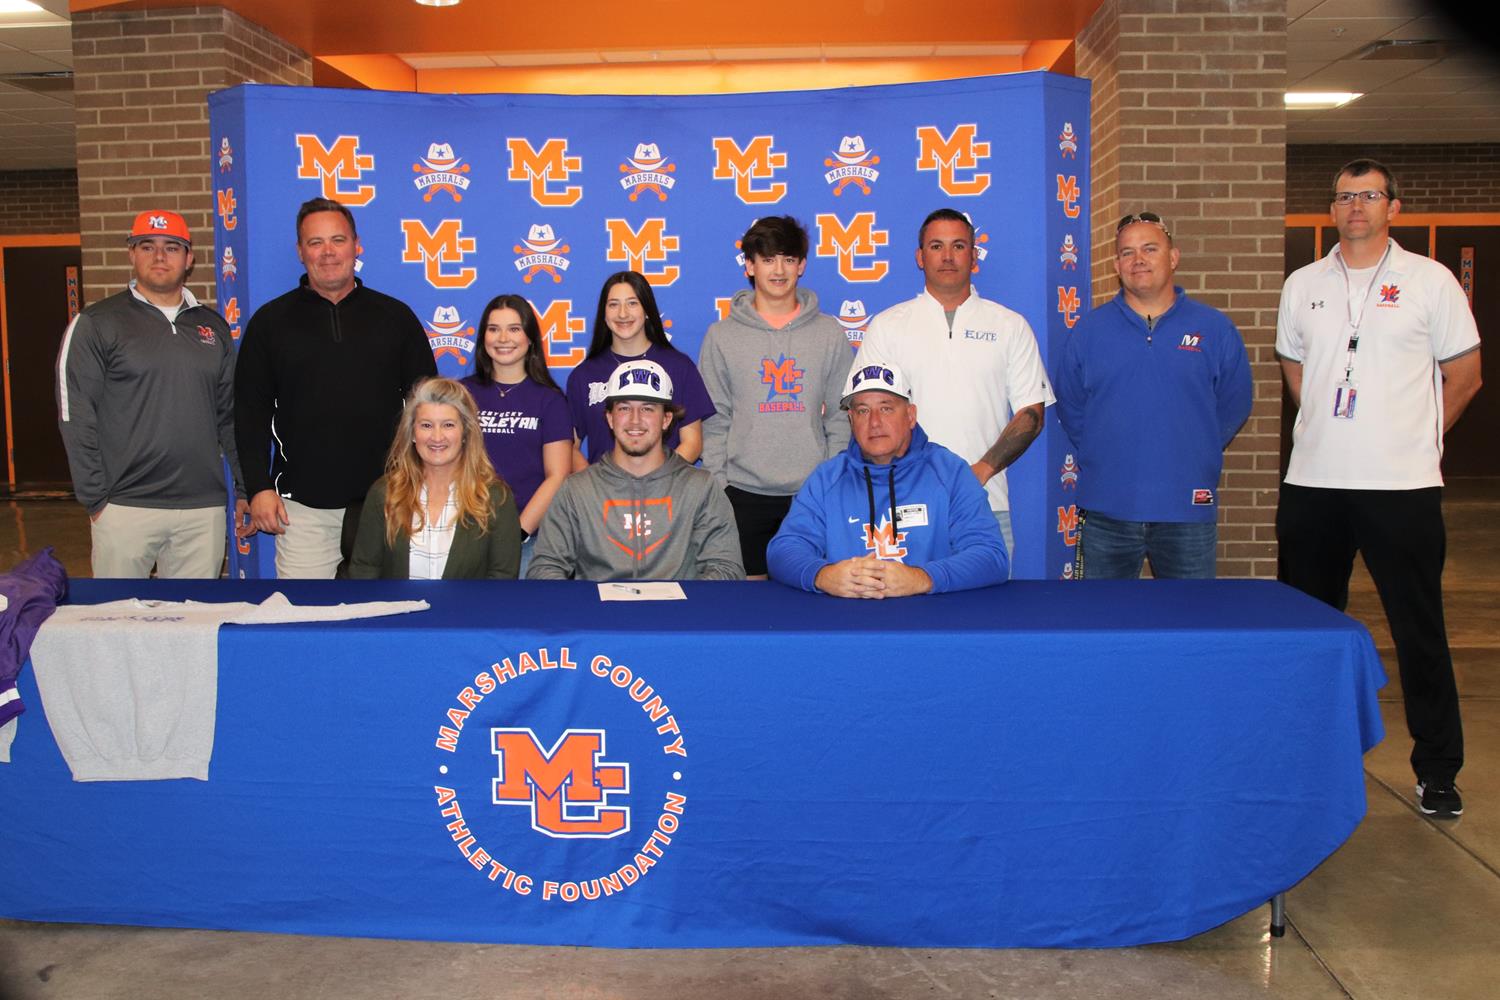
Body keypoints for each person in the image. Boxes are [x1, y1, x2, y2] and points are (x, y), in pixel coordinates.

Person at [1277, 158, 1483, 818]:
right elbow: (1293, 360)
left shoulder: (1431, 281)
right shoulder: (1303, 283)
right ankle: (1304, 756)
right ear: (1330, 209)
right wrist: (1328, 424)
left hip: (1402, 486)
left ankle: (1438, 769)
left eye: (1368, 196)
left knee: (1418, 630)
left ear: (1393, 206)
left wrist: (1418, 433)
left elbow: (1466, 374)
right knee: (1309, 631)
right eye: (1343, 197)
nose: (1355, 207)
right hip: (1314, 483)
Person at [235, 197, 437, 578]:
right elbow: (250, 414)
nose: (328, 252)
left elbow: (428, 410)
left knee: (388, 625)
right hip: (304, 510)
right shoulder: (270, 323)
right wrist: (258, 487)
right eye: (315, 242)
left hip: (390, 504)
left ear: (356, 245)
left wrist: (427, 486)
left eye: (338, 240)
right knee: (305, 626)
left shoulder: (396, 317)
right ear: (300, 251)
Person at [1052, 211, 1252, 579]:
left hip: (1187, 509)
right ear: (1116, 265)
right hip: (1107, 510)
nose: (1138, 260)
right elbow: (1072, 406)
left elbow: (1234, 404)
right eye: (1127, 252)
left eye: (1149, 249)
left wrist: (1196, 443)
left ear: (1173, 258)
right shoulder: (1089, 331)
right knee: (1103, 626)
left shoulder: (1214, 328)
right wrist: (1106, 448)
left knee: (1189, 626)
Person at [855, 208, 1053, 563]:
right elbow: (866, 414)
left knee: (986, 617)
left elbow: (1031, 415)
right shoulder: (887, 327)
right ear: (920, 256)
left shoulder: (1010, 325)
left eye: (958, 246)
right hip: (902, 504)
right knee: (903, 615)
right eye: (936, 246)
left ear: (974, 256)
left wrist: (979, 472)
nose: (947, 256)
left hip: (984, 504)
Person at [55, 209, 244, 578]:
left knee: (192, 626)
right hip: (125, 507)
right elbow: (74, 412)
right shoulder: (97, 323)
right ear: (131, 253)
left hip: (201, 509)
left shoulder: (212, 327)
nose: (160, 256)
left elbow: (230, 416)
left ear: (189, 258)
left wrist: (243, 485)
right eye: (148, 246)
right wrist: (95, 499)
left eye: (172, 247)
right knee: (117, 623)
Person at [767, 360, 1009, 597]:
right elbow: (783, 550)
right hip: (846, 623)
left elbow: (991, 555)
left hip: (931, 623)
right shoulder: (828, 478)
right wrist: (822, 575)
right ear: (851, 420)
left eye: (886, 408)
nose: (874, 422)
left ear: (911, 415)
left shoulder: (950, 471)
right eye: (863, 411)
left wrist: (922, 578)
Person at [698, 216, 852, 578]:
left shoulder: (829, 332)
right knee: (747, 609)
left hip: (812, 494)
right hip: (742, 494)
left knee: (812, 600)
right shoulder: (721, 336)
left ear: (802, 265)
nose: (778, 270)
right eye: (767, 259)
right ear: (750, 266)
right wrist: (723, 487)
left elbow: (842, 416)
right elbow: (715, 420)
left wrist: (827, 480)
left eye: (787, 258)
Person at [529, 359, 744, 582]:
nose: (635, 420)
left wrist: (681, 606)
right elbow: (545, 567)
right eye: (624, 408)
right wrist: (585, 607)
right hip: (599, 615)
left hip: (678, 614)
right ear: (610, 418)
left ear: (666, 419)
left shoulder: (701, 487)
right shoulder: (577, 490)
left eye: (648, 409)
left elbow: (726, 568)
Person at [349, 377, 520, 580]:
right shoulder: (384, 492)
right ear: (412, 433)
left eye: (448, 425)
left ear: (465, 432)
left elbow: (502, 578)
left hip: (469, 612)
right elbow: (364, 570)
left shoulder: (496, 498)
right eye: (426, 425)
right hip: (397, 611)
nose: (437, 437)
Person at [460, 295, 571, 574]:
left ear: (530, 337)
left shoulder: (551, 400)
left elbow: (557, 475)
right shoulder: (461, 394)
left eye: (514, 329)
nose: (503, 338)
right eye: (494, 328)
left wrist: (517, 532)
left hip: (527, 538)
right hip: (463, 531)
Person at [566, 271, 715, 469]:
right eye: (613, 304)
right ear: (604, 313)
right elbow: (569, 447)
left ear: (647, 310)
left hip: (666, 492)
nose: (622, 313)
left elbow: (692, 442)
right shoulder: (583, 375)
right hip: (604, 496)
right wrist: (594, 487)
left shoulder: (679, 367)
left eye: (632, 303)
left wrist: (658, 480)